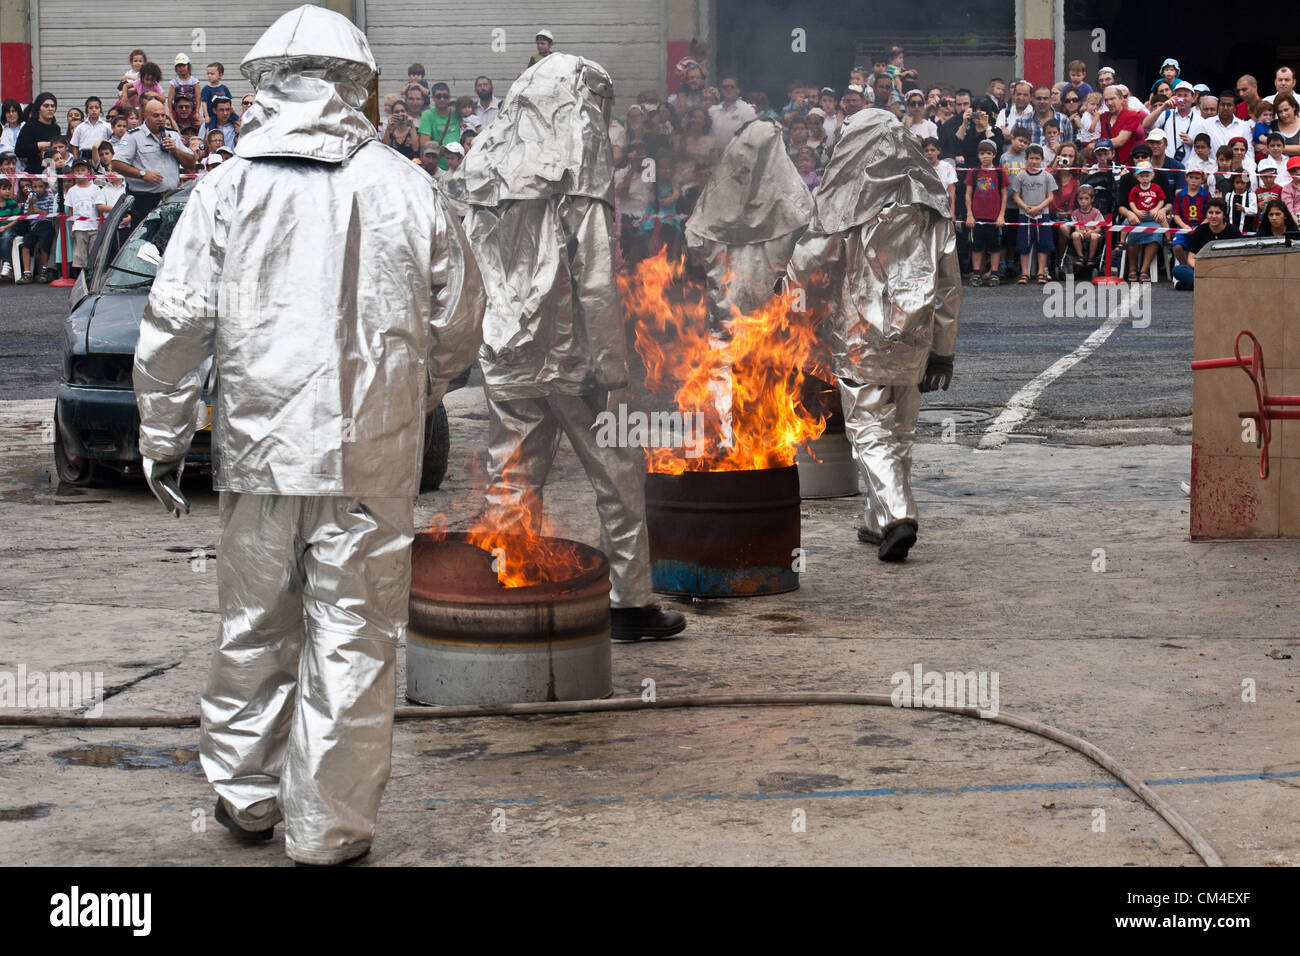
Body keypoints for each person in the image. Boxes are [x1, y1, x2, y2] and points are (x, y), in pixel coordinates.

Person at [133, 5, 485, 866]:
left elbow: (176, 321)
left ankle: (245, 797)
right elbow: (462, 322)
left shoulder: (224, 189)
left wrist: (165, 433)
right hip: (374, 456)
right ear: (356, 83)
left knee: (254, 622)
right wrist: (410, 394)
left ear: (264, 81)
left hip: (259, 451)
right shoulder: (407, 185)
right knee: (355, 637)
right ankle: (328, 830)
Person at [443, 52, 685, 640]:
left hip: (505, 352)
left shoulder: (482, 173)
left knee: (512, 470)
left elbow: (459, 268)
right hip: (573, 358)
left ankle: (505, 589)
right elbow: (596, 280)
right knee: (618, 471)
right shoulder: (579, 178)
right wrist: (610, 367)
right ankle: (629, 604)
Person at [788, 108, 960, 561]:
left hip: (860, 334)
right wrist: (943, 351)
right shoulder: (932, 200)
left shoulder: (845, 197)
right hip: (915, 335)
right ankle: (875, 518)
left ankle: (898, 515)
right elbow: (948, 283)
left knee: (867, 428)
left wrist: (783, 296)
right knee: (900, 430)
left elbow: (809, 262)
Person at [111, 98, 196, 221]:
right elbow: (116, 164)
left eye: (163, 115)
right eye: (156, 116)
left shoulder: (173, 136)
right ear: (145, 116)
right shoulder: (133, 136)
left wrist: (175, 150)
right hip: (145, 201)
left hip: (170, 198)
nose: (161, 119)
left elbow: (191, 162)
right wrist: (142, 174)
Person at [1171, 197, 1241, 288]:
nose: (1213, 216)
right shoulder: (1201, 230)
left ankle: (1201, 285)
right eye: (1210, 213)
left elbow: (1239, 259)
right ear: (1206, 214)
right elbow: (1191, 259)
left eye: (1218, 213)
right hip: (1204, 270)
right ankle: (1213, 285)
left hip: (1226, 270)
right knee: (1178, 270)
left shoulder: (1233, 231)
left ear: (1224, 215)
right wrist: (1206, 268)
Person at [1010, 144, 1055, 283]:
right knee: (1024, 244)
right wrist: (1026, 207)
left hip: (1043, 214)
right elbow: (1016, 196)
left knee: (1043, 243)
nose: (1034, 161)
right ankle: (1025, 273)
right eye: (1031, 158)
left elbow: (1050, 196)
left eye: (1037, 158)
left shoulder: (1047, 176)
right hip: (1025, 214)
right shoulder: (1020, 176)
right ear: (1026, 159)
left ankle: (1041, 272)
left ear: (1042, 159)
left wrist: (1039, 207)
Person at [965, 138, 1008, 285]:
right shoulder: (974, 172)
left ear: (994, 155)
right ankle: (977, 273)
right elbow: (968, 194)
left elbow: (1004, 194)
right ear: (978, 155)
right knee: (976, 247)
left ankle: (994, 273)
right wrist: (969, 214)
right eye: (982, 153)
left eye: (988, 153)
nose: (985, 156)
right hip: (977, 217)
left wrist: (1001, 215)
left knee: (995, 247)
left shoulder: (1000, 173)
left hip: (994, 217)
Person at [1120, 160, 1167, 282]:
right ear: (1137, 177)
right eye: (1141, 176)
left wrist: (1157, 209)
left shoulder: (1156, 188)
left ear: (1152, 175)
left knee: (1160, 226)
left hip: (1152, 217)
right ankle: (1122, 245)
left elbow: (1162, 201)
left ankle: (1144, 269)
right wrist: (1135, 212)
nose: (1145, 178)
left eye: (1147, 175)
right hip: (1139, 217)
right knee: (1128, 226)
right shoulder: (1135, 189)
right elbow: (1130, 202)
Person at [64, 159, 101, 278]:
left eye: (83, 170)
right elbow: (70, 210)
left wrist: (100, 224)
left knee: (94, 252)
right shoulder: (72, 190)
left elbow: (99, 208)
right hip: (79, 227)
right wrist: (71, 226)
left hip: (94, 225)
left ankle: (94, 276)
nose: (80, 172)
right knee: (80, 254)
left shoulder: (96, 189)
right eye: (77, 170)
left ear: (89, 172)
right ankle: (83, 276)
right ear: (73, 173)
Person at [1171, 167, 1210, 268]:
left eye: (1197, 178)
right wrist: (1184, 226)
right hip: (1184, 227)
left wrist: (1200, 227)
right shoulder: (1180, 195)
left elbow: (1209, 216)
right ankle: (1185, 267)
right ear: (1186, 178)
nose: (1194, 180)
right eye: (1191, 177)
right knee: (1176, 246)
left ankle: (1198, 268)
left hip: (1201, 227)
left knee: (1205, 246)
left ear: (1202, 180)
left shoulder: (1206, 195)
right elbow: (1176, 215)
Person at [1101, 84, 1144, 167]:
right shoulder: (1102, 117)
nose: (1109, 103)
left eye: (1112, 99)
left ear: (1121, 99)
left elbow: (1119, 141)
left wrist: (1097, 145)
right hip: (1103, 167)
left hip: (1123, 167)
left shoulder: (1131, 115)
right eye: (1106, 100)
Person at [14, 92, 59, 173]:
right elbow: (19, 151)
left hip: (53, 171)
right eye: (46, 106)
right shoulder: (30, 126)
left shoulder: (56, 128)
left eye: (53, 106)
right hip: (35, 172)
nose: (50, 109)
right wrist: (39, 145)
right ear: (39, 108)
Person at [417, 82, 459, 166]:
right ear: (433, 98)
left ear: (449, 98)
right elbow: (424, 144)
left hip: (458, 165)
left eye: (445, 96)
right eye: (439, 96)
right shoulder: (427, 115)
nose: (442, 99)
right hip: (437, 167)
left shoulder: (457, 113)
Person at [709, 77, 757, 147]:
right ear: (721, 90)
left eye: (732, 87)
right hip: (715, 155)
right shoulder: (712, 110)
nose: (728, 89)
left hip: (736, 154)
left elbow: (751, 135)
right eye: (725, 87)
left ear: (738, 90)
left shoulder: (748, 110)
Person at [1069, 183, 1105, 274]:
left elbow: (1099, 228)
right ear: (1077, 200)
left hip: (1093, 233)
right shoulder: (1075, 213)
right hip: (1081, 232)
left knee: (1094, 236)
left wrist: (1091, 231)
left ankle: (1091, 258)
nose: (1083, 201)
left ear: (1092, 199)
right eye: (1081, 199)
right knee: (1075, 234)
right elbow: (1077, 228)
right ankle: (1081, 257)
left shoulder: (1096, 212)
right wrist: (1083, 232)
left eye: (1086, 199)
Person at [0, 177, 21, 280]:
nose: (7, 191)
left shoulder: (12, 203)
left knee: (7, 236)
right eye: (4, 188)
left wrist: (5, 227)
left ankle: (6, 263)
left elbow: (16, 219)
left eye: (9, 188)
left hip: (10, 228)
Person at [169, 54, 199, 118]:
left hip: (191, 109)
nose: (181, 68)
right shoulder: (174, 82)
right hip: (178, 109)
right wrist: (171, 112)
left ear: (188, 66)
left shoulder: (194, 81)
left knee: (198, 123)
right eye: (179, 66)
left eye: (183, 65)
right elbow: (170, 99)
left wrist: (196, 112)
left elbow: (198, 98)